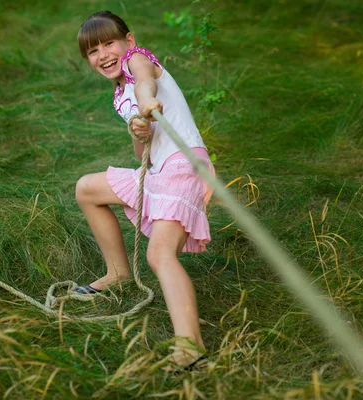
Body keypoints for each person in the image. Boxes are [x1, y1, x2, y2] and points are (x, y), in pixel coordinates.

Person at [75, 10, 214, 369]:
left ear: (129, 41)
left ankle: (190, 346)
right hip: (160, 169)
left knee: (159, 255)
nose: (103, 54)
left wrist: (148, 101)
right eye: (93, 51)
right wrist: (140, 132)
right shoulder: (119, 96)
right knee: (87, 189)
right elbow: (145, 154)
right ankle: (118, 273)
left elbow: (144, 83)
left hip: (186, 167)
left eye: (109, 43)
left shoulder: (139, 62)